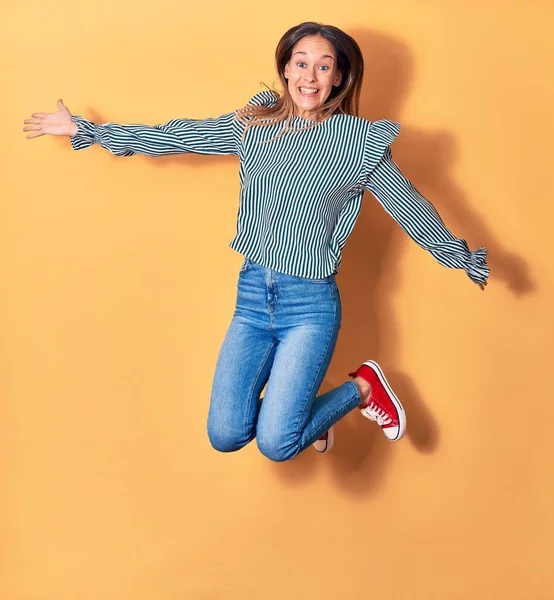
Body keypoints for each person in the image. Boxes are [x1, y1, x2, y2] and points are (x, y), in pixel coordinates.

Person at [23, 21, 489, 461]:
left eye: (324, 65)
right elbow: (177, 137)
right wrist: (87, 130)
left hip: (310, 306)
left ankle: (363, 387)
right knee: (226, 435)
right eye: (301, 62)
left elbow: (412, 209)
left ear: (339, 77)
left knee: (276, 443)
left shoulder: (360, 142)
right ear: (285, 68)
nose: (310, 76)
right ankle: (305, 409)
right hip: (251, 299)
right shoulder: (254, 124)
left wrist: (462, 258)